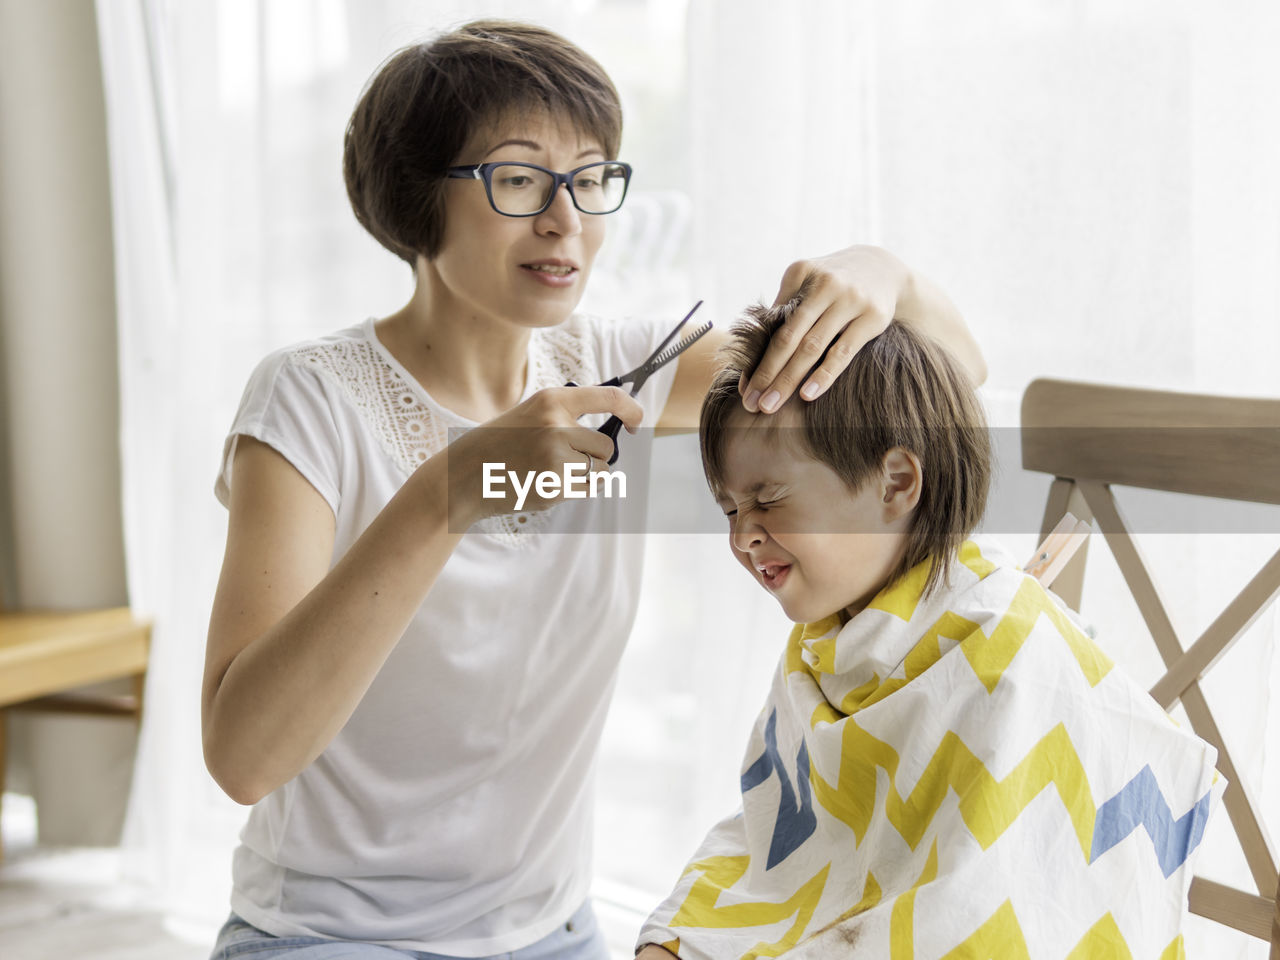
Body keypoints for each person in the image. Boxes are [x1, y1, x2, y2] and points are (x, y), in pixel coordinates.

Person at [202, 19, 985, 960]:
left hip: (551, 933)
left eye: (592, 178)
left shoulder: (626, 369)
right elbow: (243, 759)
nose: (567, 219)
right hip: (324, 935)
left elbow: (954, 370)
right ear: (418, 199)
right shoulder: (309, 400)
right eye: (522, 178)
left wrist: (882, 273)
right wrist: (453, 488)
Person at [635, 305, 1222, 958]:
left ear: (896, 484)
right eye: (729, 508)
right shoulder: (822, 643)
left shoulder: (1004, 657)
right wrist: (673, 937)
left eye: (767, 500)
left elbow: (978, 908)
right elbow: (772, 835)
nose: (742, 535)